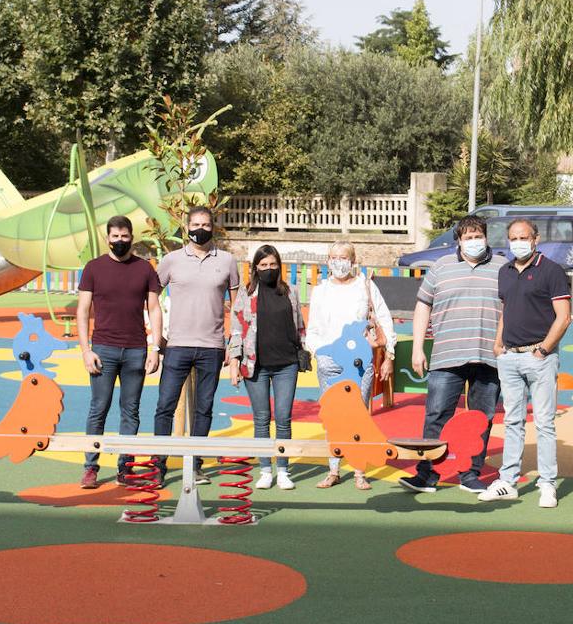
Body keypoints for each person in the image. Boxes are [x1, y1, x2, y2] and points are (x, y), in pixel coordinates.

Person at [399, 215, 504, 495]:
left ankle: (470, 473)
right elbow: (423, 306)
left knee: (481, 418)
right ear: (458, 240)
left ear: (486, 237)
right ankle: (427, 474)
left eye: (478, 236)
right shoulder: (441, 267)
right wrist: (418, 347)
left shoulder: (502, 266)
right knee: (436, 415)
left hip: (489, 355)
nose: (473, 241)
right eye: (468, 237)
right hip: (447, 355)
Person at [479, 218, 571, 508]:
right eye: (513, 238)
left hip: (539, 357)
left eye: (524, 237)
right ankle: (508, 480)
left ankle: (547, 484)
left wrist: (544, 350)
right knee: (513, 421)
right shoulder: (505, 271)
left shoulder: (551, 271)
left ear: (535, 239)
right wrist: (498, 344)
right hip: (509, 356)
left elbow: (564, 316)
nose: (518, 242)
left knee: (544, 423)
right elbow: (508, 308)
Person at [153, 206, 239, 486]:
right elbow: (151, 298)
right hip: (176, 346)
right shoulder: (171, 260)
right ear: (186, 227)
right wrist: (156, 337)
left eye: (205, 224)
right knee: (165, 406)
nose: (200, 228)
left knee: (204, 408)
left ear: (213, 227)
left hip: (212, 348)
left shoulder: (227, 261)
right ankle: (159, 463)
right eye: (195, 224)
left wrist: (232, 342)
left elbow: (237, 306)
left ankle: (196, 464)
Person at [76, 215, 162, 489]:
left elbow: (154, 309)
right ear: (107, 238)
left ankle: (126, 465)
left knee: (131, 410)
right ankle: (90, 467)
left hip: (136, 349)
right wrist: (85, 350)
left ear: (132, 237)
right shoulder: (93, 268)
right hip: (103, 349)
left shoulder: (145, 269)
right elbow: (82, 311)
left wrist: (155, 347)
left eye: (125, 236)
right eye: (115, 237)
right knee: (98, 408)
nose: (120, 241)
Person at [305, 240, 396, 490]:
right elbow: (312, 329)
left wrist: (389, 353)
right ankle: (333, 469)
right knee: (333, 416)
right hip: (329, 362)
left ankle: (359, 471)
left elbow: (384, 319)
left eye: (344, 257)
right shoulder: (320, 291)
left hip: (359, 362)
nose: (339, 262)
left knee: (358, 415)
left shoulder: (365, 287)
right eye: (334, 257)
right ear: (327, 261)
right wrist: (319, 354)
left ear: (353, 261)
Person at [228, 245, 305, 490]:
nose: (268, 269)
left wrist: (303, 349)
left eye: (272, 265)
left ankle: (282, 469)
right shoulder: (246, 293)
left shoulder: (289, 291)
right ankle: (264, 469)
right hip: (255, 365)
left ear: (279, 266)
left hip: (286, 365)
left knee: (283, 418)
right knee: (261, 419)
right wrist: (234, 360)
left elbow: (299, 324)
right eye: (263, 265)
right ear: (255, 268)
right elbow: (237, 328)